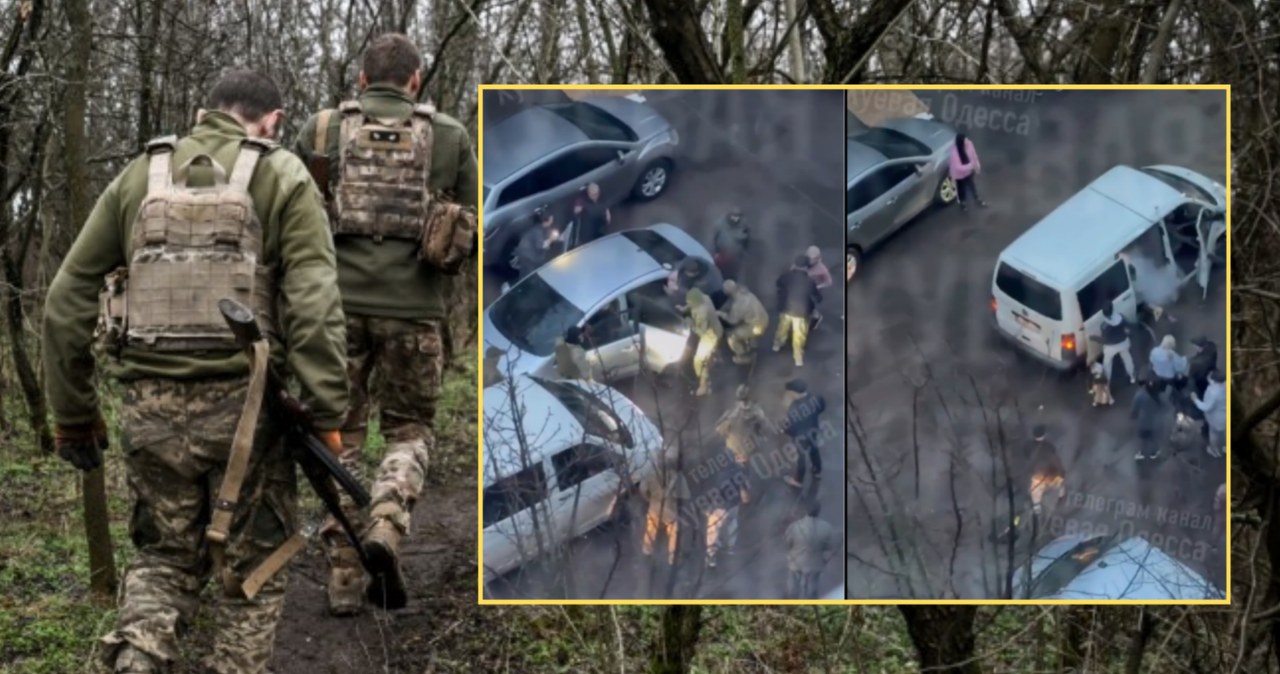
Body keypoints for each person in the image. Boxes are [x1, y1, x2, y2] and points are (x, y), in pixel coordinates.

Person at [44, 69, 348, 674]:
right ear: (273, 121)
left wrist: (75, 416)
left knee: (163, 559)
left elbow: (65, 299)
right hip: (248, 411)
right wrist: (327, 410)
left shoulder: (140, 178)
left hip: (149, 411)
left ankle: (134, 664)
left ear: (205, 112)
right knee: (252, 570)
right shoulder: (281, 175)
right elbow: (313, 302)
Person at [294, 33, 478, 616]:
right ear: (416, 81)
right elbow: (475, 224)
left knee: (337, 434)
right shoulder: (448, 135)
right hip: (415, 313)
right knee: (410, 431)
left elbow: (290, 217)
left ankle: (344, 572)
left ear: (361, 79)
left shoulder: (321, 132)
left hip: (332, 312)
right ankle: (388, 520)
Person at [714, 385, 774, 501]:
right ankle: (744, 491)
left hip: (732, 447)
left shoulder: (731, 414)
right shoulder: (757, 411)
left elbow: (719, 429)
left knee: (730, 469)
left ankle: (732, 492)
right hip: (748, 447)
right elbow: (766, 427)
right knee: (745, 469)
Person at [641, 452, 691, 566]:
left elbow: (643, 490)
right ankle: (672, 558)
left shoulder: (650, 474)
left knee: (650, 531)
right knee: (674, 533)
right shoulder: (677, 477)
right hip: (670, 510)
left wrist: (650, 499)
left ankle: (646, 553)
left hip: (654, 507)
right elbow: (685, 495)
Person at [783, 502, 837, 599]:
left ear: (806, 511)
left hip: (796, 563)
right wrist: (824, 560)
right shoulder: (827, 527)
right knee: (812, 591)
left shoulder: (794, 526)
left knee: (792, 590)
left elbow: (787, 543)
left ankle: (792, 601)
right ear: (819, 511)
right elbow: (831, 548)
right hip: (815, 564)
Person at [773, 255, 819, 367]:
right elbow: (817, 297)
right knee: (799, 336)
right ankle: (798, 357)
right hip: (801, 312)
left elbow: (778, 284)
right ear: (806, 267)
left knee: (782, 328)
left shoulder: (786, 276)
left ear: (794, 265)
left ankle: (777, 344)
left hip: (786, 309)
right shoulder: (810, 281)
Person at [780, 379, 827, 488]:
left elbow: (793, 429)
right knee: (814, 450)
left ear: (794, 393)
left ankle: (798, 480)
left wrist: (784, 430)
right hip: (813, 431)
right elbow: (822, 407)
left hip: (801, 437)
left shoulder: (793, 408)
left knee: (801, 457)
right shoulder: (815, 397)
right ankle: (817, 470)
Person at [704, 464, 746, 569]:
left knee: (713, 533)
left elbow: (713, 489)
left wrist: (709, 508)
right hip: (733, 507)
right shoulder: (741, 471)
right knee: (731, 529)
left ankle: (712, 557)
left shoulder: (715, 471)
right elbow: (745, 496)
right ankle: (729, 552)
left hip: (720, 508)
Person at [717, 280, 769, 365]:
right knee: (746, 323)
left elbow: (732, 320)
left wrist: (720, 314)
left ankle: (743, 356)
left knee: (731, 336)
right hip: (764, 318)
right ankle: (753, 342)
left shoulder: (738, 305)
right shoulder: (746, 293)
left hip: (756, 326)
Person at [687, 288, 723, 396]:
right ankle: (717, 357)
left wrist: (691, 325)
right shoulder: (704, 298)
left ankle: (704, 385)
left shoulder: (702, 312)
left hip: (709, 336)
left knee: (699, 361)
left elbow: (702, 331)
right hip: (717, 329)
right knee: (712, 352)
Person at [1026, 425, 1066, 516]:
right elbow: (1054, 459)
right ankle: (1061, 498)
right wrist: (1061, 472)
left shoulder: (1029, 446)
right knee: (1059, 484)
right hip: (1050, 473)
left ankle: (1036, 506)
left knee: (1035, 490)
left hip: (1037, 474)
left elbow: (1027, 459)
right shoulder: (1049, 446)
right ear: (1044, 435)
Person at [511, 207, 561, 280]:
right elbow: (541, 246)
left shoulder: (541, 227)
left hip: (530, 254)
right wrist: (551, 239)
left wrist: (556, 238)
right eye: (551, 219)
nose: (552, 220)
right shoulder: (538, 231)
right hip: (527, 256)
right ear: (546, 221)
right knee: (527, 276)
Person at [1191, 369, 1227, 458]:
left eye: (1210, 378)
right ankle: (1226, 447)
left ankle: (1214, 450)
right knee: (1224, 433)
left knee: (1214, 434)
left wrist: (1195, 400)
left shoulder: (1213, 392)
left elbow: (1207, 407)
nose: (1208, 378)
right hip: (1225, 416)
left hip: (1216, 419)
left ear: (1215, 381)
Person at [1100, 301, 1137, 385]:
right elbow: (1128, 327)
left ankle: (1107, 383)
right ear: (1112, 309)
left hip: (1110, 347)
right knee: (1127, 358)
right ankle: (1132, 377)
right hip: (1123, 343)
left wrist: (1093, 338)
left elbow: (1104, 338)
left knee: (1107, 363)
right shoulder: (1121, 317)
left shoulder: (1104, 325)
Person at [949, 132, 986, 210]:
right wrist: (971, 166)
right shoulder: (954, 153)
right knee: (961, 189)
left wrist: (977, 166)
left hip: (969, 172)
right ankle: (963, 202)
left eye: (967, 139)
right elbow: (958, 167)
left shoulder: (969, 144)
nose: (967, 141)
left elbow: (974, 155)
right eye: (965, 140)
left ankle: (977, 198)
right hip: (959, 175)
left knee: (972, 185)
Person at [1131, 379, 1166, 461]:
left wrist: (1133, 415)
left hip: (1143, 421)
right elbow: (1164, 407)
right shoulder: (1160, 396)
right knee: (1154, 438)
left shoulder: (1140, 395)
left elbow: (1135, 408)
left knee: (1142, 438)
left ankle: (1141, 453)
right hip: (1155, 422)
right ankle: (1154, 452)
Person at [711, 208, 749, 280]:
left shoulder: (744, 226)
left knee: (733, 277)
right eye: (733, 216)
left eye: (737, 216)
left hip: (736, 257)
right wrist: (715, 253)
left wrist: (743, 253)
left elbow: (746, 241)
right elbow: (714, 239)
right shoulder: (720, 224)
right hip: (722, 255)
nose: (735, 219)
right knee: (721, 275)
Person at [1149, 334, 1189, 398]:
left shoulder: (1154, 351)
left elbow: (1151, 361)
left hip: (1158, 375)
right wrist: (1185, 359)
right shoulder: (1172, 355)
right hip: (1169, 379)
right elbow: (1180, 368)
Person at [572, 182, 610, 247]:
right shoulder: (582, 200)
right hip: (587, 234)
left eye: (597, 194)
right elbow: (576, 211)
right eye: (594, 194)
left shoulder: (602, 198)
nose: (596, 196)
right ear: (589, 193)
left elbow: (606, 209)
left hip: (599, 230)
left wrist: (607, 216)